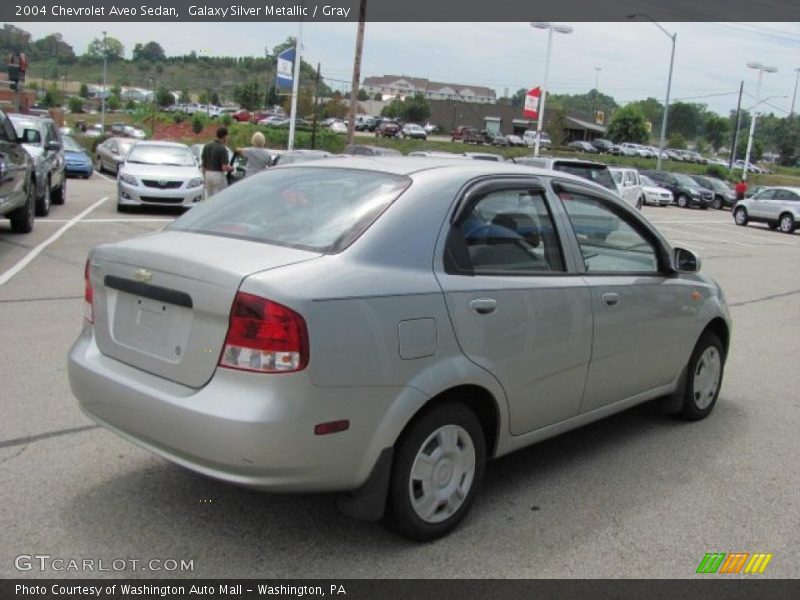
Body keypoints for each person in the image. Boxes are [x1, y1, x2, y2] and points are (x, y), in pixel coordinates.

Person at [200, 127, 232, 199]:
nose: (228, 138)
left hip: (207, 174)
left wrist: (204, 175)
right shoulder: (223, 148)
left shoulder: (207, 146)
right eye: (227, 136)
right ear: (224, 136)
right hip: (218, 175)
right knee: (220, 197)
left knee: (209, 197)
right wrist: (231, 168)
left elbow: (203, 163)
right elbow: (224, 167)